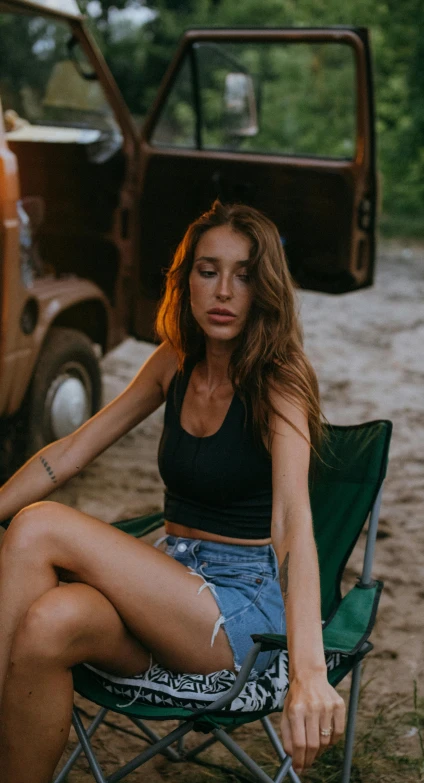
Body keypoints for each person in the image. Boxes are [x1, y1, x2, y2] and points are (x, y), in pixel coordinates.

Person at [0, 200, 345, 782]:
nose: (224, 291)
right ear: (186, 280)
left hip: (237, 612)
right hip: (167, 587)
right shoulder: (174, 362)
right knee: (50, 622)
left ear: (265, 289)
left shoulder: (281, 379)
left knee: (38, 525)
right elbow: (69, 452)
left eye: (243, 275)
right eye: (208, 271)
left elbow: (291, 522)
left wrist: (309, 668)